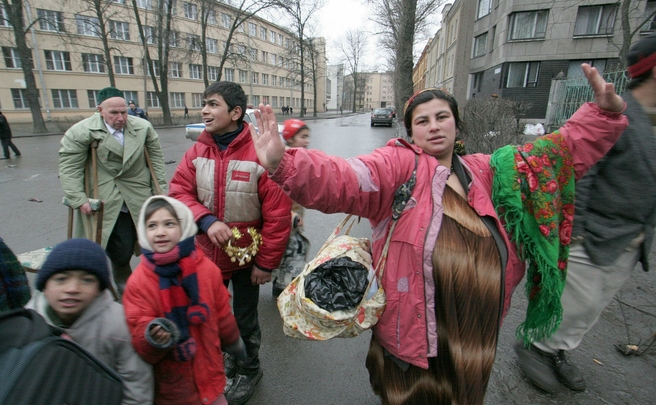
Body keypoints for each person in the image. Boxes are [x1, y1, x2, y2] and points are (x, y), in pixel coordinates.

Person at [249, 64, 627, 405]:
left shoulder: (490, 172)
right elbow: (345, 179)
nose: (433, 125)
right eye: (422, 120)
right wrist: (285, 164)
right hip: (415, 337)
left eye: (442, 116)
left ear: (456, 124)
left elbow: (554, 156)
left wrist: (603, 115)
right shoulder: (398, 166)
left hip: (475, 333)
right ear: (410, 131)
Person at [514, 32, 656, 394]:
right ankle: (536, 347)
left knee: (592, 307)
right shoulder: (623, 118)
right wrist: (573, 232)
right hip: (593, 233)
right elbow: (580, 168)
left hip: (631, 238)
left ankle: (558, 351)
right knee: (577, 302)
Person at [169, 81, 291, 405]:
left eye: (212, 104)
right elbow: (179, 193)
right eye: (204, 104)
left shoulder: (259, 152)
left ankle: (250, 369)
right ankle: (228, 359)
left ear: (236, 113)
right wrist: (206, 221)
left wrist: (266, 263)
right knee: (211, 315)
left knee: (244, 319)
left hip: (247, 262)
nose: (204, 111)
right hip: (207, 258)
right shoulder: (197, 150)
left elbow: (279, 215)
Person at [123, 196, 247, 405]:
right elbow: (137, 331)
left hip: (210, 375)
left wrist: (234, 342)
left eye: (169, 224)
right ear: (143, 232)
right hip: (172, 386)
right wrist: (152, 337)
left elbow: (222, 314)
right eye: (152, 225)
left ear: (184, 227)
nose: (160, 231)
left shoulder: (206, 271)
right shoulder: (139, 283)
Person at [59, 87, 167, 290]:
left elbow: (156, 161)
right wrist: (79, 198)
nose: (120, 117)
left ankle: (157, 283)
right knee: (120, 247)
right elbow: (69, 168)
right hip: (105, 194)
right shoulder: (81, 131)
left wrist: (161, 191)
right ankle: (123, 282)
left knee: (155, 239)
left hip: (139, 192)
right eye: (114, 113)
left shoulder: (142, 127)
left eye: (124, 112)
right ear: (100, 110)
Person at [26, 238, 154, 405]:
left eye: (86, 280)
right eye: (61, 279)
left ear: (99, 290)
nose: (72, 289)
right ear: (44, 286)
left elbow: (136, 385)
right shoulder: (28, 325)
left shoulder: (118, 324)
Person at [272, 119, 311, 297]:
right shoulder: (286, 161)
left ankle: (282, 286)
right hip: (286, 220)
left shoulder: (297, 158)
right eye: (302, 137)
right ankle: (285, 291)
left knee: (288, 252)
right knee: (292, 252)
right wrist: (292, 215)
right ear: (290, 138)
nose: (307, 141)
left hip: (293, 221)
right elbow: (277, 196)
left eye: (307, 136)